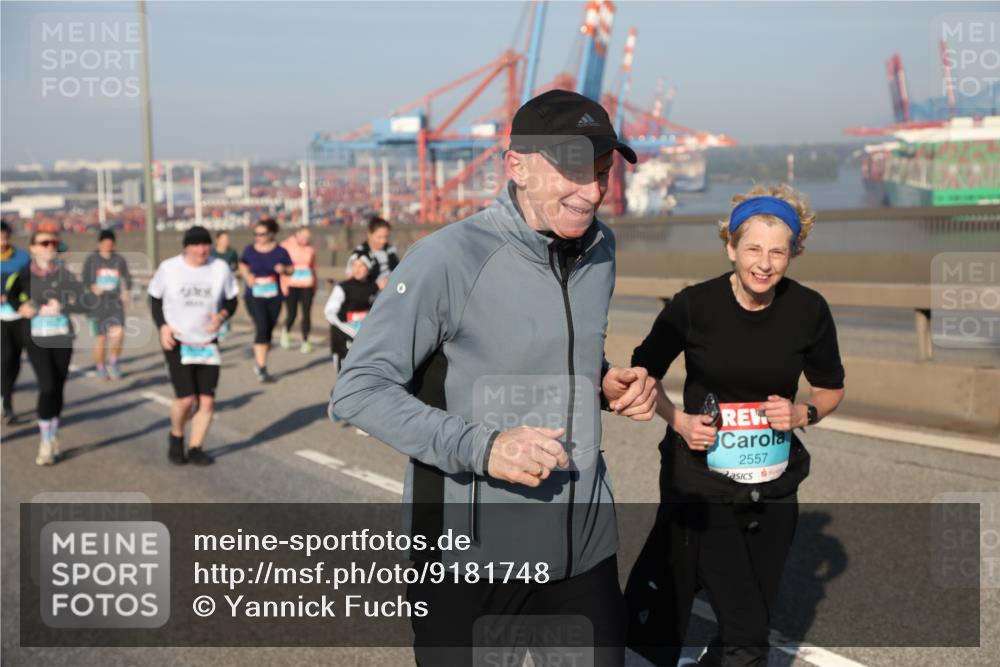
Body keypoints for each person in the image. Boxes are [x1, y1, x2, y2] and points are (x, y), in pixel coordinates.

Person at [332, 90, 656, 666]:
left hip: (584, 553)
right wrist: (485, 448)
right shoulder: (447, 258)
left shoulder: (602, 247)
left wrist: (602, 383)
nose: (591, 192)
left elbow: (559, 351)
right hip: (468, 562)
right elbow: (358, 390)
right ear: (517, 166)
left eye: (602, 173)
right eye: (572, 172)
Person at [624, 184, 846, 667]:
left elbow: (831, 388)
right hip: (703, 478)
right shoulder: (693, 306)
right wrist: (678, 421)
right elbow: (644, 375)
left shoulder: (809, 310)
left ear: (792, 255)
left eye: (777, 251)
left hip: (775, 478)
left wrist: (803, 413)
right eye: (752, 249)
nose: (764, 263)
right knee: (745, 628)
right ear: (731, 248)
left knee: (753, 613)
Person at [148, 226, 238, 465]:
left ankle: (196, 446)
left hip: (207, 342)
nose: (202, 249)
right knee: (186, 399)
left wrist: (221, 316)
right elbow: (155, 299)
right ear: (186, 247)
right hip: (178, 340)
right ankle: (176, 434)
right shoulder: (169, 268)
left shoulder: (219, 268)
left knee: (207, 400)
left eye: (205, 244)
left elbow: (232, 299)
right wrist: (162, 326)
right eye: (196, 245)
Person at [5, 229, 87, 465]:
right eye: (44, 243)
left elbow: (82, 300)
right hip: (36, 337)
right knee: (47, 385)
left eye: (53, 243)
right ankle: (44, 441)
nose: (49, 246)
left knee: (58, 387)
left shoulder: (65, 274)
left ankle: (53, 435)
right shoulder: (24, 275)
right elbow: (10, 296)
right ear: (33, 248)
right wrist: (22, 309)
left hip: (62, 336)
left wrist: (68, 304)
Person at [239, 218, 292, 382]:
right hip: (254, 296)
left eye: (262, 234)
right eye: (256, 234)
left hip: (274, 296)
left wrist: (283, 269)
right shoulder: (249, 250)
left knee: (268, 330)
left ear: (271, 234)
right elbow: (242, 264)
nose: (258, 237)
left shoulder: (280, 251)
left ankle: (261, 362)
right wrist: (247, 276)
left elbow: (291, 269)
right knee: (261, 327)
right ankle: (261, 367)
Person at [82, 229, 132, 380]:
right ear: (99, 243)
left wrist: (126, 291)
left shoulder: (119, 260)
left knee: (119, 334)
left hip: (115, 303)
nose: (107, 247)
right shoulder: (92, 259)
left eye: (110, 244)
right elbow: (85, 278)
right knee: (101, 338)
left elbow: (127, 278)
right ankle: (100, 366)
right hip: (97, 305)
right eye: (105, 244)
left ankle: (114, 362)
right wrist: (92, 286)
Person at [1, 221, 31, 424]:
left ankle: (6, 392)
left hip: (19, 315)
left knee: (15, 361)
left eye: (4, 237)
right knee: (5, 358)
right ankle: (7, 406)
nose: (2, 241)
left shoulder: (22, 257)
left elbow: (31, 282)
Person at [280, 226, 318, 353]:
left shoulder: (310, 249)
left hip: (307, 284)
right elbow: (282, 268)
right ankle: (286, 330)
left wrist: (315, 285)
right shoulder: (285, 246)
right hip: (291, 284)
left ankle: (306, 341)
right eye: (304, 237)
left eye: (308, 238)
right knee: (292, 313)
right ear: (297, 234)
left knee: (306, 313)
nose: (306, 240)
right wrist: (283, 286)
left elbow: (313, 268)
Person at [345, 216, 399, 290]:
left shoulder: (391, 250)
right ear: (369, 234)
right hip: (368, 295)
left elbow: (398, 270)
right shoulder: (359, 253)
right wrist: (375, 287)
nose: (383, 241)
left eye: (386, 237)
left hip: (390, 291)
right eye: (379, 237)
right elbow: (351, 281)